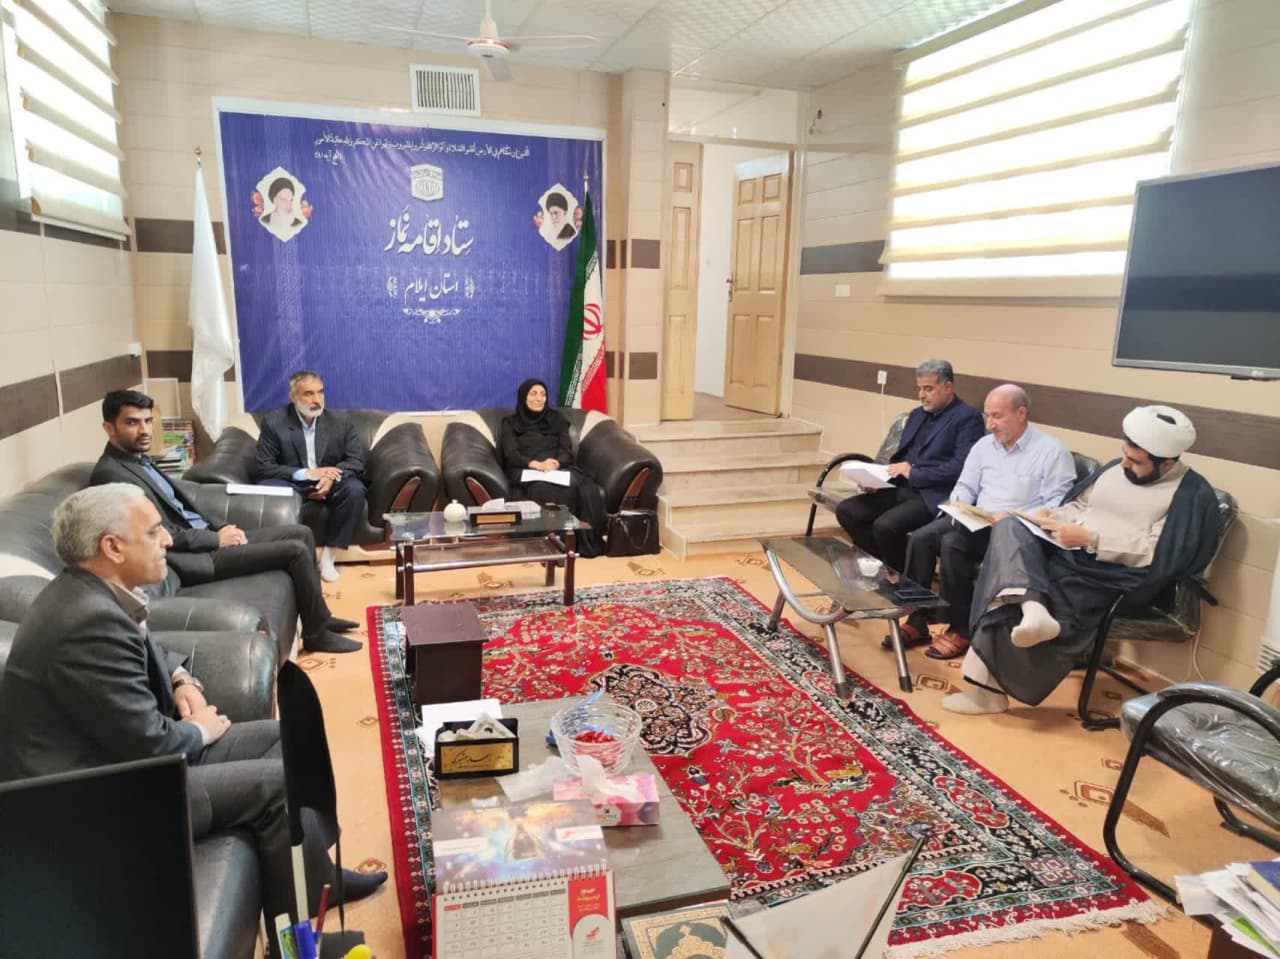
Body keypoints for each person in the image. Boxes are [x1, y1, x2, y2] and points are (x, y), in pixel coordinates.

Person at [0, 485, 385, 948]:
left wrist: (183, 679)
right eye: (154, 531)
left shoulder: (92, 594)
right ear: (112, 546)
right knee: (275, 787)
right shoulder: (86, 621)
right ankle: (298, 949)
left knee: (285, 740)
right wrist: (200, 730)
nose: (167, 539)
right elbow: (153, 746)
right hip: (98, 802)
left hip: (122, 767)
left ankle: (319, 879)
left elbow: (148, 647)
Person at [942, 405, 1221, 715]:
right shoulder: (1116, 468)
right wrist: (1053, 516)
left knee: (1013, 589)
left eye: (1136, 462)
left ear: (1166, 463)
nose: (1125, 464)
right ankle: (1033, 609)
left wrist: (1092, 539)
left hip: (1115, 579)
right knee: (1010, 527)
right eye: (1125, 455)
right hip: (1070, 554)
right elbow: (1080, 506)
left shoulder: (1191, 494)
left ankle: (991, 690)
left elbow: (1159, 553)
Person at [91, 390, 360, 654]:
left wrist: (220, 526)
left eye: (148, 421)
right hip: (196, 558)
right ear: (108, 428)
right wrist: (216, 539)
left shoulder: (140, 461)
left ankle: (321, 617)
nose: (144, 430)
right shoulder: (112, 475)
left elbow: (185, 506)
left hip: (207, 539)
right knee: (296, 551)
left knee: (302, 533)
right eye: (132, 422)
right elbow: (160, 534)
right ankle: (316, 636)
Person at [898, 384, 1076, 661]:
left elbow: (1057, 506)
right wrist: (960, 504)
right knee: (921, 539)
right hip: (977, 519)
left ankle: (960, 629)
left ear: (1021, 414)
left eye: (997, 416)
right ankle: (917, 619)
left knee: (952, 543)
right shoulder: (984, 446)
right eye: (987, 416)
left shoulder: (1051, 451)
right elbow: (965, 486)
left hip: (1015, 531)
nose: (990, 424)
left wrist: (1013, 517)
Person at [836, 359, 983, 572]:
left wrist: (914, 473)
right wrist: (878, 480)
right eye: (919, 388)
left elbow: (960, 467)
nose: (922, 395)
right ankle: (884, 568)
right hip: (901, 487)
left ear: (948, 387)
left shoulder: (967, 418)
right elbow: (901, 457)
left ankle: (902, 578)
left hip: (933, 495)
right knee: (847, 510)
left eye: (928, 389)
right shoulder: (917, 415)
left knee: (885, 526)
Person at [253, 371, 367, 583]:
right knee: (270, 489)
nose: (317, 400)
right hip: (292, 482)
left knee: (355, 489)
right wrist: (306, 474)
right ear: (293, 397)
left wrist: (331, 476)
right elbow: (263, 467)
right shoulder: (274, 422)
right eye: (309, 394)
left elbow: (356, 461)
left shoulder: (340, 422)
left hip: (330, 481)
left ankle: (329, 557)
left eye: (320, 392)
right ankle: (287, 557)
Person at [499, 379, 605, 558]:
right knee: (542, 488)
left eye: (543, 394)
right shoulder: (510, 423)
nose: (538, 398)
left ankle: (569, 544)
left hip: (556, 468)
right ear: (523, 397)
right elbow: (511, 455)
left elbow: (566, 451)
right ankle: (546, 547)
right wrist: (536, 465)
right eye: (533, 394)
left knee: (575, 486)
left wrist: (555, 463)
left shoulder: (557, 420)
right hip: (526, 469)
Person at [260, 176, 304, 241]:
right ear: (274, 200)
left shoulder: (298, 223)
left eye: (291, 200)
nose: (288, 204)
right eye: (283, 200)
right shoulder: (265, 221)